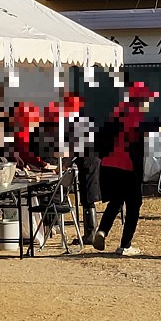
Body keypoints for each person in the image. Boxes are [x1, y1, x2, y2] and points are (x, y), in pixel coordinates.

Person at [93, 82, 158, 256]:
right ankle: (125, 245)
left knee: (115, 201)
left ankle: (102, 230)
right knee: (134, 205)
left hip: (107, 165)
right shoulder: (138, 117)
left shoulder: (116, 112)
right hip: (128, 166)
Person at [65, 93, 101, 244]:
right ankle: (89, 232)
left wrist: (66, 163)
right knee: (87, 197)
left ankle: (90, 233)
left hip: (89, 160)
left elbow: (75, 144)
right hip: (91, 158)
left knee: (88, 198)